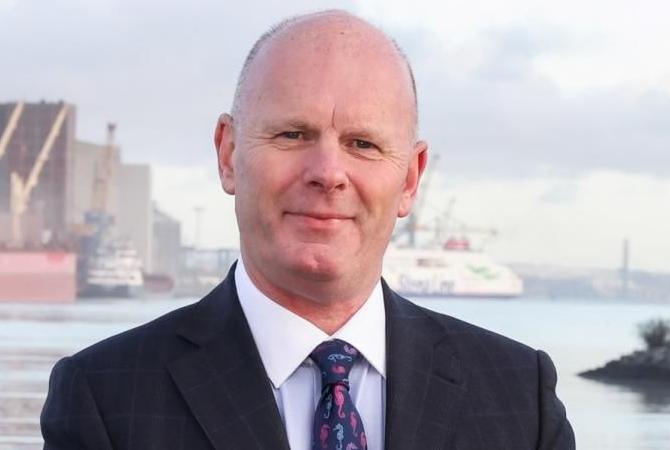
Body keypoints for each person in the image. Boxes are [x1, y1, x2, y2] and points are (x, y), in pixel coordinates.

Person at [40, 10, 574, 450]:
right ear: (228, 155)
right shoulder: (103, 399)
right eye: (293, 134)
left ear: (410, 178)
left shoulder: (518, 397)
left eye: (363, 144)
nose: (328, 173)